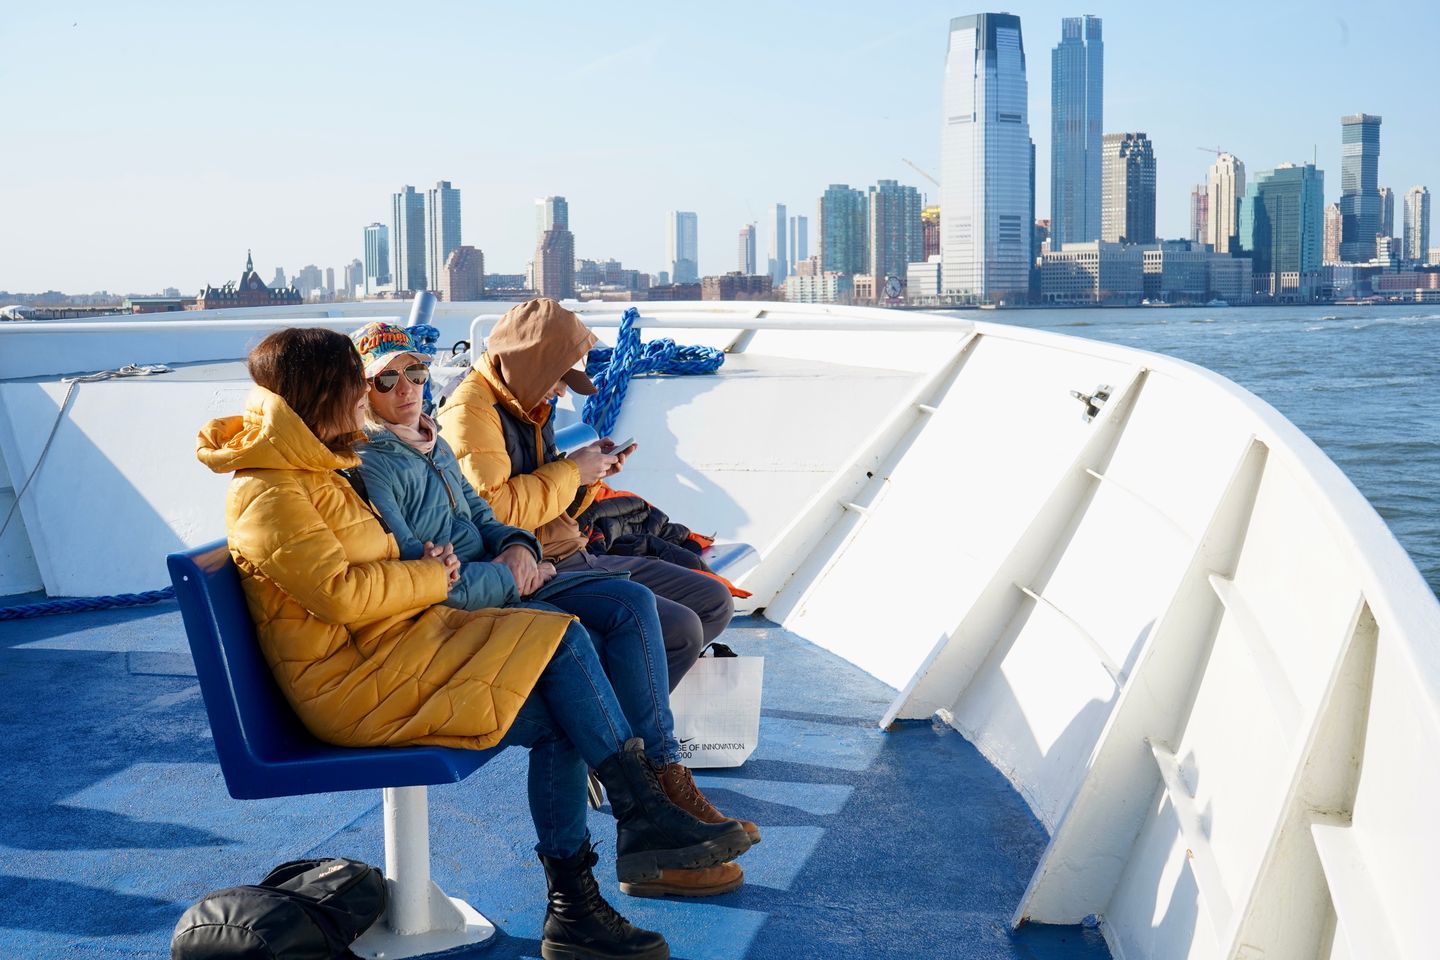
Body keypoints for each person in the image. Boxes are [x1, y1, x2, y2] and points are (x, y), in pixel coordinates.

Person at [196, 327, 751, 960]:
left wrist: (478, 555)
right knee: (565, 641)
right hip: (354, 684)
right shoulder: (272, 490)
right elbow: (343, 595)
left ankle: (581, 902)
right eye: (362, 384)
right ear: (327, 392)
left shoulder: (320, 465)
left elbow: (395, 557)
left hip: (395, 648)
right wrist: (434, 572)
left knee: (566, 674)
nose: (373, 398)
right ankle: (641, 814)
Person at [349, 320, 759, 898]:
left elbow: (485, 519)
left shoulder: (431, 439)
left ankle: (660, 781)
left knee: (635, 601)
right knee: (585, 649)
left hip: (525, 572)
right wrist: (514, 566)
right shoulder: (383, 459)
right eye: (387, 379)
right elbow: (428, 575)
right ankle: (636, 824)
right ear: (360, 390)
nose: (407, 387)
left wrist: (521, 546)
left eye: (415, 373)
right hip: (478, 605)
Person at [436, 298, 735, 696]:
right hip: (535, 570)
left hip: (572, 553)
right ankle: (619, 741)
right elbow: (494, 512)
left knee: (713, 599)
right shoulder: (469, 413)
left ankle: (619, 714)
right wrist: (573, 470)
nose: (560, 392)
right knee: (680, 630)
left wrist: (591, 478)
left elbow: (552, 504)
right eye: (557, 378)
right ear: (529, 365)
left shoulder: (527, 403)